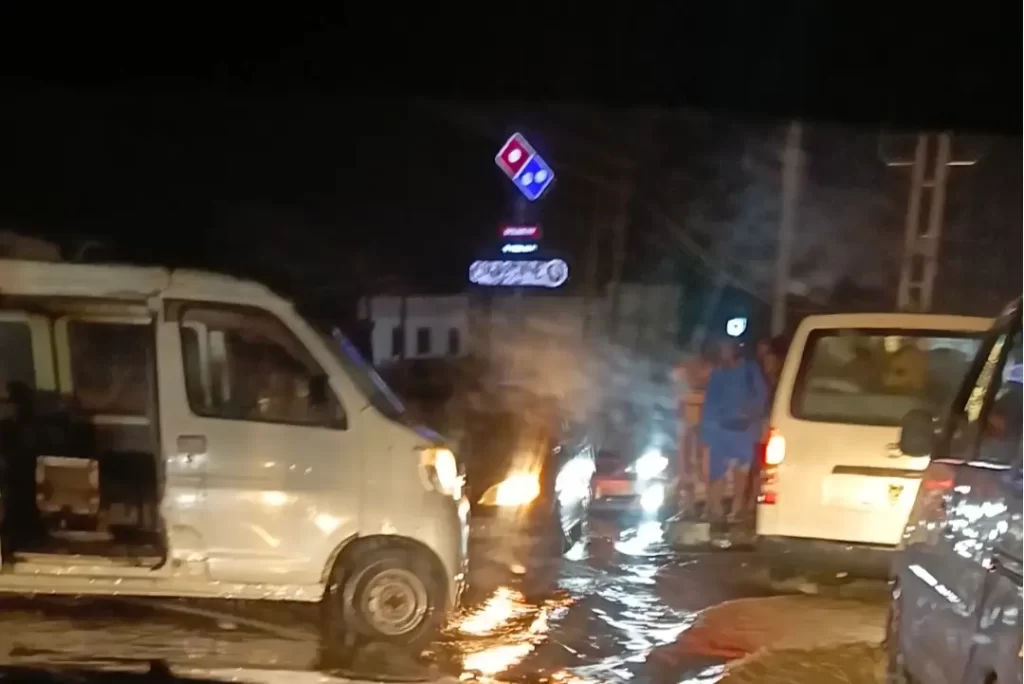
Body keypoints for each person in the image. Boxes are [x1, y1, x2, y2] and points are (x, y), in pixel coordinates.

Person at [700, 337, 769, 530]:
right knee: (717, 473)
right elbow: (710, 404)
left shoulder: (749, 370)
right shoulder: (718, 373)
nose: (724, 352)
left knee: (741, 471)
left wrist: (751, 413)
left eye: (726, 348)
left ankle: (737, 509)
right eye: (721, 348)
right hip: (720, 430)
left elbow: (762, 395)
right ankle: (716, 510)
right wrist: (706, 434)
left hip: (743, 430)